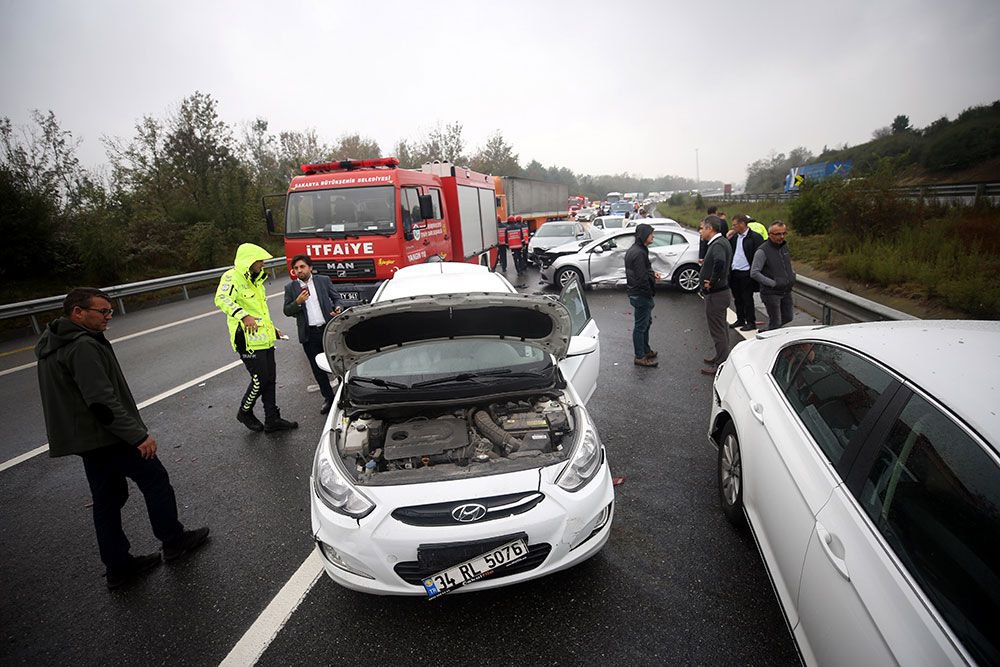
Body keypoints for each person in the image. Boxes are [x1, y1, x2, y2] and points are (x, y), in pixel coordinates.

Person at [35, 288, 209, 590]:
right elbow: (101, 401)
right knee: (155, 479)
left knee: (107, 500)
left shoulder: (52, 344)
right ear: (78, 312)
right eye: (102, 312)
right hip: (108, 435)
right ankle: (174, 540)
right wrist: (137, 435)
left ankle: (118, 566)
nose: (108, 317)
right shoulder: (81, 346)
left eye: (110, 311)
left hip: (86, 440)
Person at [215, 243, 298, 433]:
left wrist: (272, 330)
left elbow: (260, 312)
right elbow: (221, 298)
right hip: (247, 340)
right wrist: (243, 315)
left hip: (264, 339)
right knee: (260, 379)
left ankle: (272, 419)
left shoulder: (257, 281)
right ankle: (244, 411)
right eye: (259, 261)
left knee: (270, 379)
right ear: (249, 261)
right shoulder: (232, 277)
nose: (262, 264)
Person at [283, 255, 344, 415]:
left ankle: (345, 394)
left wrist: (338, 308)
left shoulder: (323, 280)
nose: (299, 271)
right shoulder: (291, 288)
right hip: (309, 333)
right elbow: (287, 311)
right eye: (296, 268)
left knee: (337, 363)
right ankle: (329, 399)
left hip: (327, 329)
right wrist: (297, 302)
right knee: (318, 368)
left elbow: (336, 298)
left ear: (310, 267)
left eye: (302, 267)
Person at [699, 216, 733, 375]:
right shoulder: (722, 242)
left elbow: (719, 262)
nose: (700, 231)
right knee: (722, 328)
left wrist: (712, 281)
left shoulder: (717, 244)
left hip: (716, 294)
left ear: (709, 228)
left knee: (717, 330)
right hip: (721, 292)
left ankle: (721, 363)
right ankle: (721, 356)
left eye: (702, 228)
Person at [625, 222, 661, 367]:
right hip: (641, 294)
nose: (653, 236)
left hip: (637, 292)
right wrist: (650, 293)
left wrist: (653, 275)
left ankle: (646, 349)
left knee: (646, 322)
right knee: (640, 325)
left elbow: (644, 272)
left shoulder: (638, 249)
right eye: (651, 234)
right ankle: (640, 356)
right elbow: (641, 278)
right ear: (644, 235)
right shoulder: (639, 253)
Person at [751, 221, 797, 331]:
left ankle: (767, 332)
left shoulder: (784, 247)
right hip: (771, 293)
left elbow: (788, 264)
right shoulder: (762, 251)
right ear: (770, 234)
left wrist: (792, 275)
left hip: (786, 290)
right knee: (775, 322)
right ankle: (768, 341)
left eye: (783, 233)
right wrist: (773, 283)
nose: (781, 237)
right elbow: (754, 272)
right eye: (778, 234)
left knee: (788, 317)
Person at [728, 214, 765, 332]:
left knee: (747, 299)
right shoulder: (734, 238)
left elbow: (760, 256)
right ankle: (740, 319)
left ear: (742, 224)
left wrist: (755, 271)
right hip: (735, 272)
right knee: (737, 298)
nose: (733, 227)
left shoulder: (755, 237)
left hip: (747, 273)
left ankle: (751, 322)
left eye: (735, 225)